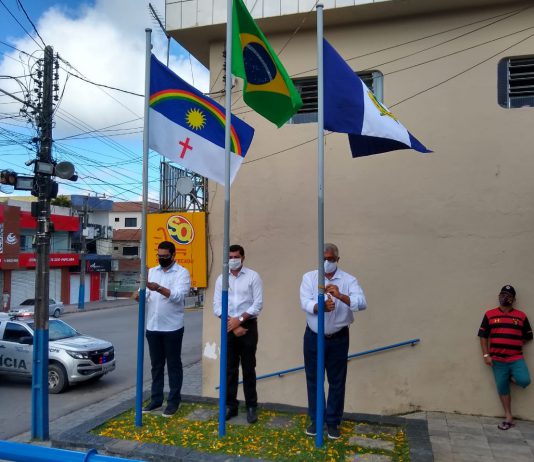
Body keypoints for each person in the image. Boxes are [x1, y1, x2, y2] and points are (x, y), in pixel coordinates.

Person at [299, 243, 367, 440]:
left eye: (330, 259)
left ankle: (333, 421)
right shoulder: (309, 277)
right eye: (323, 259)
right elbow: (305, 302)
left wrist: (341, 296)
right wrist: (319, 306)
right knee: (314, 379)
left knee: (337, 381)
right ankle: (316, 419)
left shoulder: (348, 280)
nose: (326, 262)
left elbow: (362, 303)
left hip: (338, 338)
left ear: (337, 260)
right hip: (313, 336)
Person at [139, 241, 191, 418]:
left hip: (172, 327)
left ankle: (174, 401)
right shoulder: (153, 271)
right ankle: (156, 399)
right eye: (159, 256)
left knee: (173, 365)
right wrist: (139, 294)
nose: (161, 259)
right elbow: (146, 293)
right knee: (156, 365)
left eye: (165, 256)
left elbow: (179, 296)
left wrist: (159, 288)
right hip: (153, 326)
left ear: (173, 255)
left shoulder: (182, 273)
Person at [213, 244, 263, 424]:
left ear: (243, 257)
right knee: (229, 369)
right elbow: (217, 306)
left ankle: (251, 406)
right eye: (230, 257)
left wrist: (240, 320)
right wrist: (233, 325)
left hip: (248, 325)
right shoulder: (221, 278)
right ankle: (230, 406)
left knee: (249, 368)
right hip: (229, 325)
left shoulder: (253, 276)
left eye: (236, 257)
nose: (233, 260)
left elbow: (257, 304)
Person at [478, 284, 532, 430]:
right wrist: (486, 355)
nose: (505, 297)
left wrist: (516, 342)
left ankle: (508, 377)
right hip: (497, 360)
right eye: (502, 294)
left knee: (525, 380)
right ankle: (508, 416)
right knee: (502, 388)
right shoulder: (489, 314)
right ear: (499, 296)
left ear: (514, 299)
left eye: (508, 296)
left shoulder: (521, 316)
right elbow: (483, 336)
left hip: (516, 358)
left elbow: (528, 335)